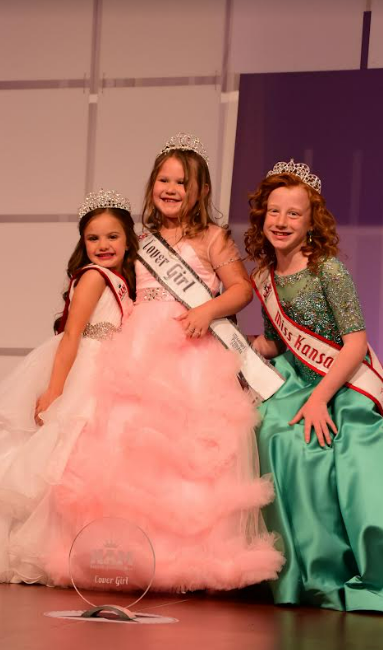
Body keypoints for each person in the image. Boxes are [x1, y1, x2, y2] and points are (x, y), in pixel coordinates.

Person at [44, 134, 285, 592]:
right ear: (152, 184)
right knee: (130, 448)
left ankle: (189, 560)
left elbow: (240, 290)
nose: (170, 188)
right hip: (137, 350)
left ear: (201, 192)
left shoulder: (213, 238)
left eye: (182, 181)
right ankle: (129, 552)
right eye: (163, 179)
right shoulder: (141, 239)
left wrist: (207, 311)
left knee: (187, 456)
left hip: (192, 351)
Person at [0, 190, 138, 585]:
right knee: (53, 458)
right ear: (83, 244)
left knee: (71, 461)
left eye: (112, 236)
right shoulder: (95, 276)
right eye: (93, 238)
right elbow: (72, 335)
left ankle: (68, 546)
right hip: (85, 368)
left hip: (106, 368)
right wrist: (55, 391)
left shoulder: (120, 280)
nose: (103, 245)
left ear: (128, 239)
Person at [245, 159, 383, 611]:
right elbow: (273, 339)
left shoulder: (328, 270)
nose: (281, 221)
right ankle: (289, 572)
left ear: (311, 222)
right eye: (274, 211)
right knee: (268, 433)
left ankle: (329, 569)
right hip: (296, 382)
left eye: (293, 213)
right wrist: (239, 347)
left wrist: (322, 398)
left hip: (340, 385)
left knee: (316, 445)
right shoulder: (264, 276)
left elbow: (356, 343)